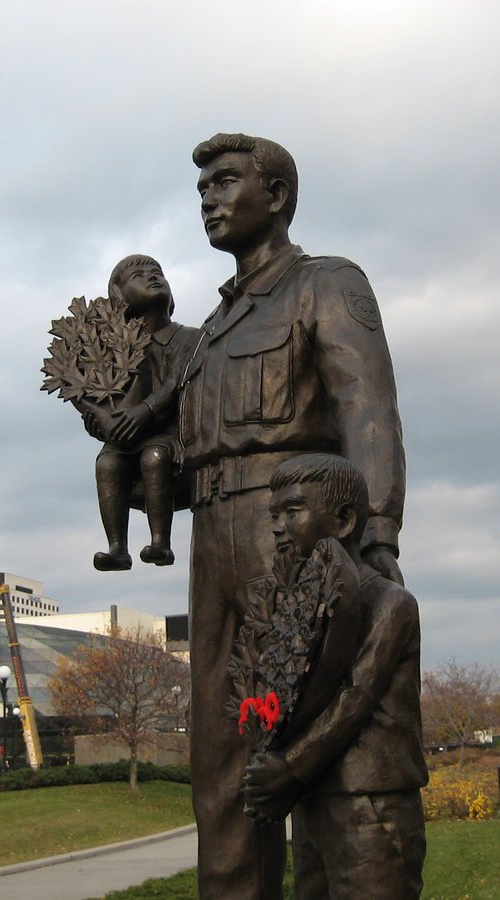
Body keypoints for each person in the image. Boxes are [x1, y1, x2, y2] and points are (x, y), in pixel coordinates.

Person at [179, 133, 406, 900]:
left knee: (306, 737)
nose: (207, 196)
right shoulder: (210, 330)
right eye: (202, 185)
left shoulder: (326, 284)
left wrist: (375, 537)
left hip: (297, 534)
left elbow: (366, 411)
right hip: (210, 540)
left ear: (275, 195)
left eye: (225, 181)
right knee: (219, 759)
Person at [243, 453, 427, 899]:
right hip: (313, 800)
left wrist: (288, 767)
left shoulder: (389, 604)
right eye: (274, 515)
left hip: (371, 803)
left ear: (344, 519)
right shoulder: (295, 609)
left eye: (293, 511)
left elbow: (354, 697)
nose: (278, 526)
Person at [87, 255, 198, 571]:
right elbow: (104, 397)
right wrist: (100, 422)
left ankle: (160, 543)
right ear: (119, 295)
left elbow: (176, 384)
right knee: (107, 462)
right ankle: (117, 547)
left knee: (154, 458)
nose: (153, 277)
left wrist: (144, 413)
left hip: (169, 433)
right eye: (139, 274)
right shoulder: (115, 349)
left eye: (158, 272)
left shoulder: (187, 337)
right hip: (127, 436)